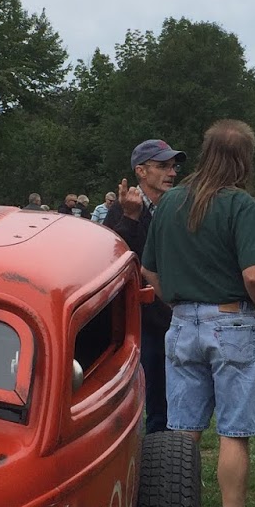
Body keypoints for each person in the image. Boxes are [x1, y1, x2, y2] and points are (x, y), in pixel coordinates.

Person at [141, 121, 255, 507]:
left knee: (182, 432)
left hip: (181, 323)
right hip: (231, 323)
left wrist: (183, 306)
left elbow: (149, 272)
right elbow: (254, 275)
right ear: (244, 158)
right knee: (235, 430)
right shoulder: (239, 204)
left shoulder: (169, 203)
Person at [112, 138, 185, 434]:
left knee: (173, 392)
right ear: (141, 171)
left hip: (173, 313)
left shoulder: (175, 206)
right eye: (163, 166)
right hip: (144, 319)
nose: (172, 172)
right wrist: (130, 217)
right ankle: (155, 460)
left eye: (173, 166)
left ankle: (169, 453)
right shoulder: (123, 209)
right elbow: (115, 256)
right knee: (151, 392)